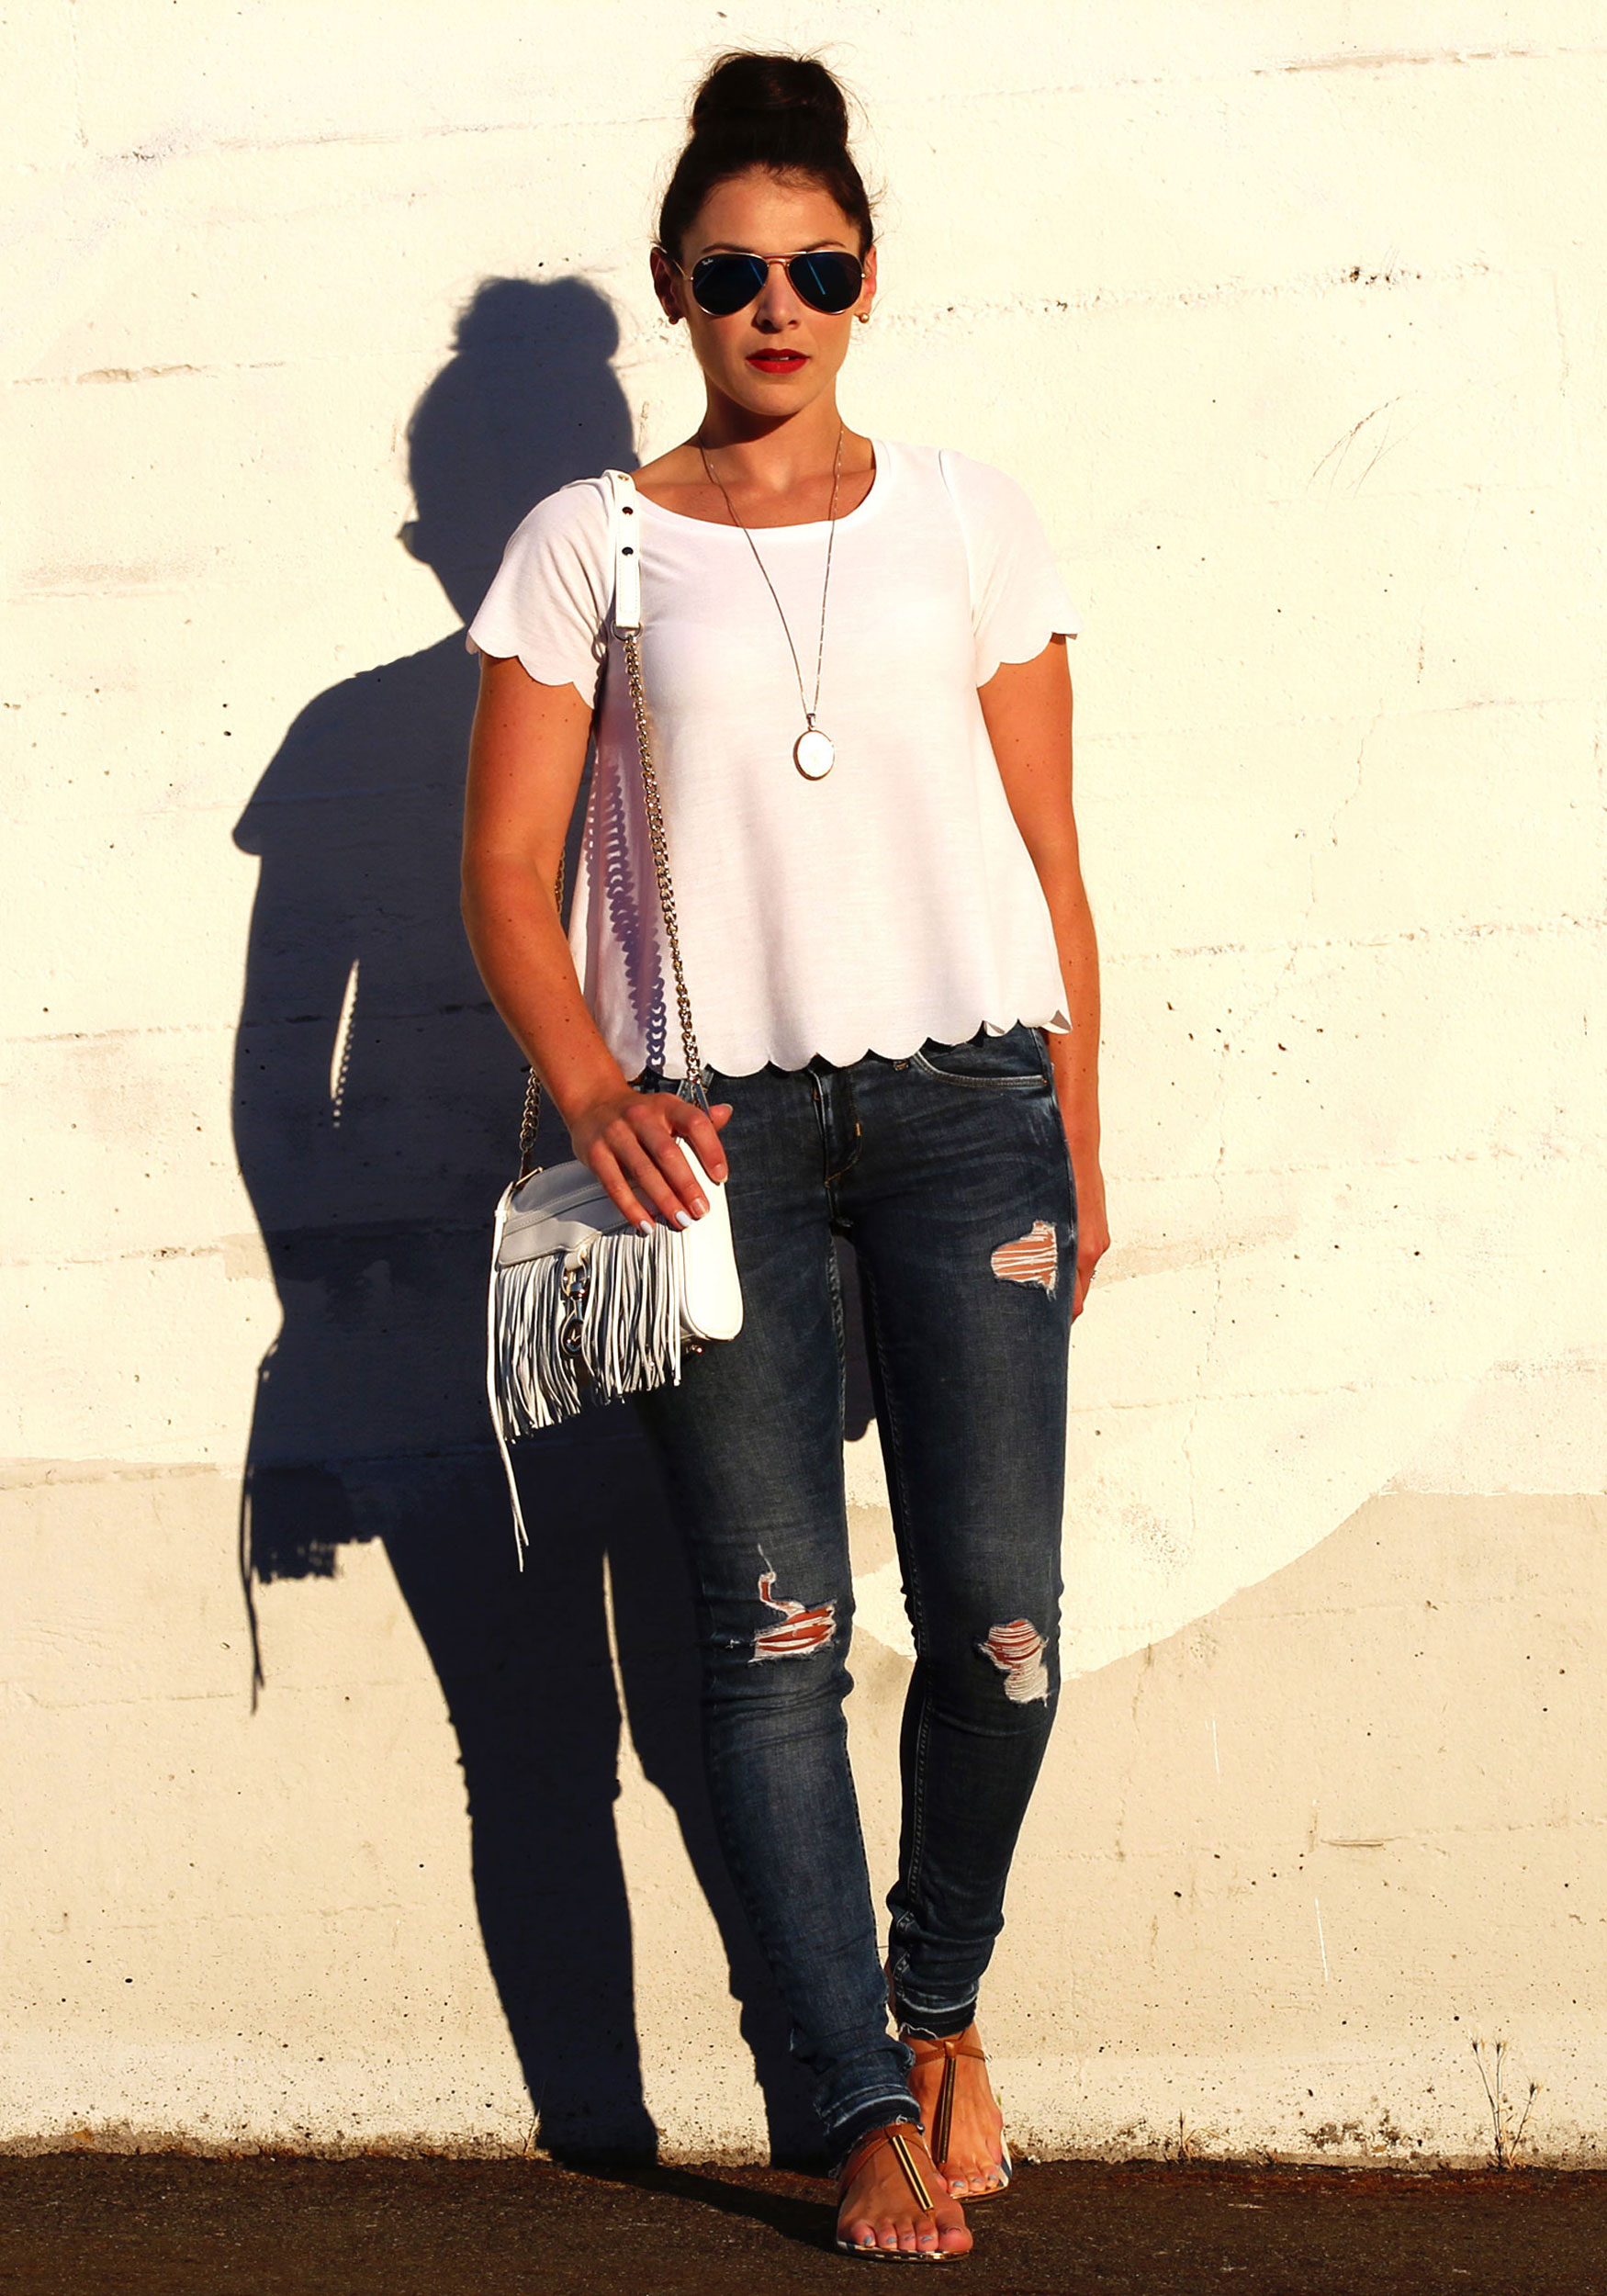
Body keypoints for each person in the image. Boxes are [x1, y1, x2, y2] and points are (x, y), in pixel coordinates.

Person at [461, 50, 1108, 2261]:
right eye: (732, 268)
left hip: (966, 1117)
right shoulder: (591, 545)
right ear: (674, 283)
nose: (775, 298)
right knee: (771, 1636)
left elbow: (1047, 852)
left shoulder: (964, 515)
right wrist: (590, 1089)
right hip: (715, 1137)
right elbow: (501, 868)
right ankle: (844, 2097)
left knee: (1004, 1627)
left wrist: (1076, 1141)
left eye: (814, 265)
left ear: (861, 281)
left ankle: (932, 2005)